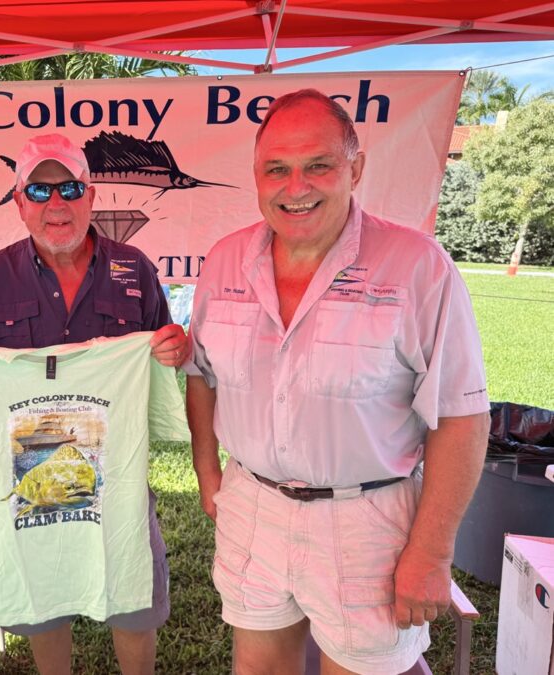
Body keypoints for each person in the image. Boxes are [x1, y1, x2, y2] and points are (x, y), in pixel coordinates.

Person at [185, 89, 491, 675]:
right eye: (277, 169)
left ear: (355, 167)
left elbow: (461, 417)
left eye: (317, 165)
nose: (295, 187)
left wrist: (430, 551)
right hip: (253, 503)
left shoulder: (416, 266)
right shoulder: (224, 261)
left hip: (366, 518)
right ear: (256, 175)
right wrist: (208, 475)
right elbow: (202, 378)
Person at [0, 133, 188, 675]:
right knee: (41, 595)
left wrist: (175, 348)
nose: (55, 204)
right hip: (28, 473)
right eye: (39, 190)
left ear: (91, 195)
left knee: (134, 595)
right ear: (19, 202)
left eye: (69, 188)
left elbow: (164, 347)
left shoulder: (134, 267)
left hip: (118, 478)